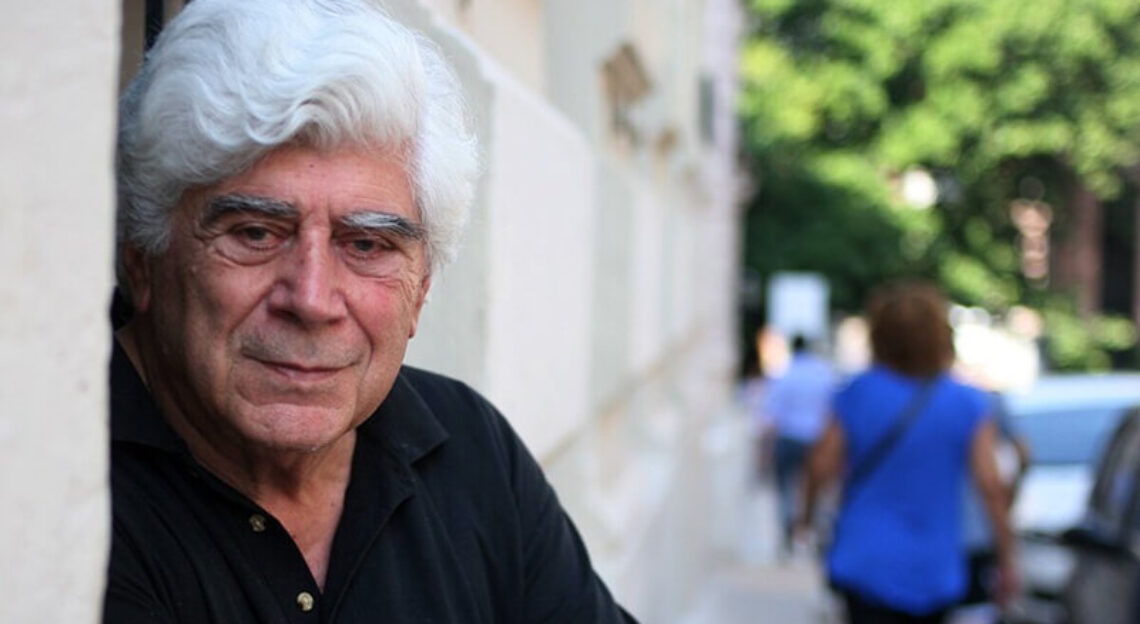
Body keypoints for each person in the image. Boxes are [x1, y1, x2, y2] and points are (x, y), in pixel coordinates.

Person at [103, 1, 635, 622]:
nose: (311, 300)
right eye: (255, 233)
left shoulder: (472, 450)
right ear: (142, 256)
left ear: (421, 288)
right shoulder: (64, 484)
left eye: (366, 245)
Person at [799, 281, 1018, 624]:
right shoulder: (967, 403)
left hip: (865, 556)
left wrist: (806, 519)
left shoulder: (858, 393)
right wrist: (1006, 558)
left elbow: (820, 465)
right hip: (936, 564)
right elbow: (990, 486)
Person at [760, 334, 836, 556]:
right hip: (817, 440)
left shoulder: (785, 375)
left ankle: (789, 533)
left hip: (789, 438)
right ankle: (817, 532)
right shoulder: (824, 374)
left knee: (785, 488)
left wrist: (765, 450)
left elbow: (771, 415)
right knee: (819, 488)